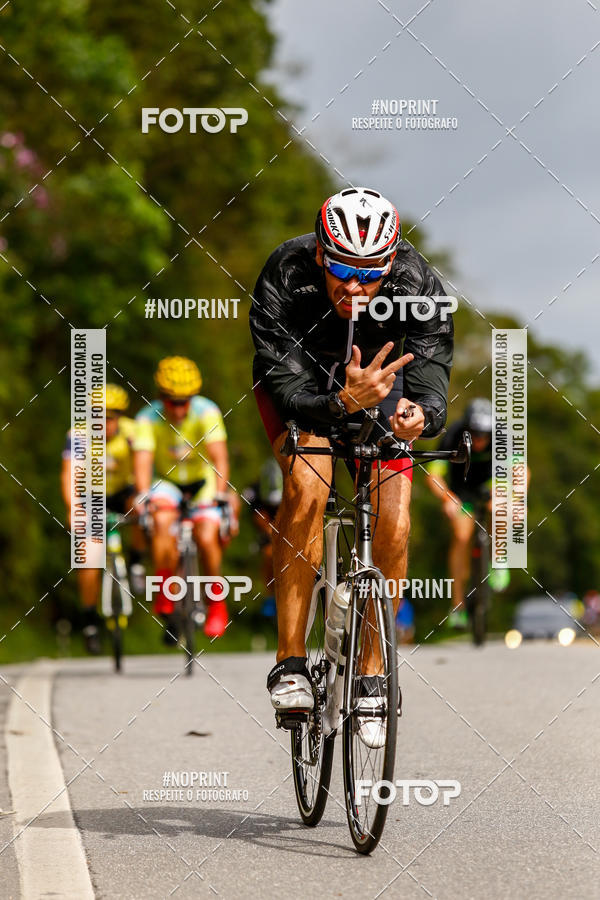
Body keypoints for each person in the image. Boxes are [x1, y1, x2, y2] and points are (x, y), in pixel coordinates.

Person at [249, 186, 453, 743]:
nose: (357, 287)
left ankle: (371, 672)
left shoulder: (416, 282)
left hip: (381, 387)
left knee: (395, 519)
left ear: (392, 260)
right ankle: (290, 663)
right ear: (320, 252)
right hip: (302, 384)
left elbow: (432, 362)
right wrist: (339, 403)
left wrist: (422, 413)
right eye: (342, 268)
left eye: (371, 271)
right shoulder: (287, 273)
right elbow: (283, 384)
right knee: (307, 490)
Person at [133, 356, 238, 641]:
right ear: (161, 397)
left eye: (185, 401)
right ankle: (166, 586)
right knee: (162, 521)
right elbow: (142, 462)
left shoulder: (207, 412)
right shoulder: (146, 418)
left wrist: (219, 495)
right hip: (167, 483)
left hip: (202, 482)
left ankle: (216, 602)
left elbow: (219, 458)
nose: (179, 409)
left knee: (207, 536)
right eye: (172, 402)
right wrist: (144, 495)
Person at [61, 384, 142, 654]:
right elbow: (69, 474)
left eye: (110, 417)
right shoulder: (78, 435)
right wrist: (74, 509)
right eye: (98, 416)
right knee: (87, 557)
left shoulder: (134, 432)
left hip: (123, 492)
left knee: (141, 507)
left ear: (119, 417)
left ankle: (137, 564)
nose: (103, 423)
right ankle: (89, 621)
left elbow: (146, 467)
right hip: (90, 496)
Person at [426, 398, 494, 628]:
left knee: (500, 508)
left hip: (490, 487)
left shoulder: (502, 438)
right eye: (474, 433)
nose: (479, 440)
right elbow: (433, 474)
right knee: (461, 537)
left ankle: (500, 560)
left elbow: (519, 470)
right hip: (461, 493)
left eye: (485, 434)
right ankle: (458, 605)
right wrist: (446, 497)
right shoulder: (454, 434)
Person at [243, 457, 283, 610]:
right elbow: (258, 516)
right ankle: (271, 596)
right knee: (269, 554)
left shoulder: (292, 488)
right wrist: (271, 530)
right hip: (268, 531)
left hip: (287, 526)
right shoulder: (254, 492)